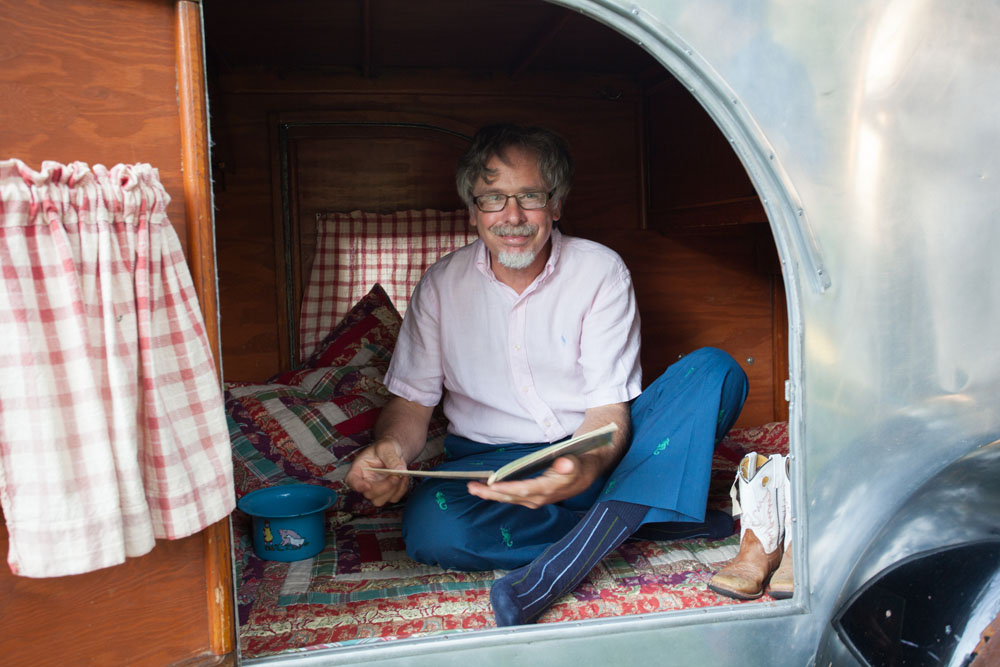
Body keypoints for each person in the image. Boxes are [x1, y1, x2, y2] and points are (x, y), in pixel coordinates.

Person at [345, 123, 748, 626]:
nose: (512, 216)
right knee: (433, 530)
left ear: (556, 204)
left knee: (716, 372)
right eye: (493, 198)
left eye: (530, 196)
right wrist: (390, 450)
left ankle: (563, 563)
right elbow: (412, 404)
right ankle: (636, 517)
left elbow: (608, 408)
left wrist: (582, 465)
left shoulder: (601, 270)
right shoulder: (440, 285)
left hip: (600, 451)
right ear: (473, 210)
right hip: (491, 471)